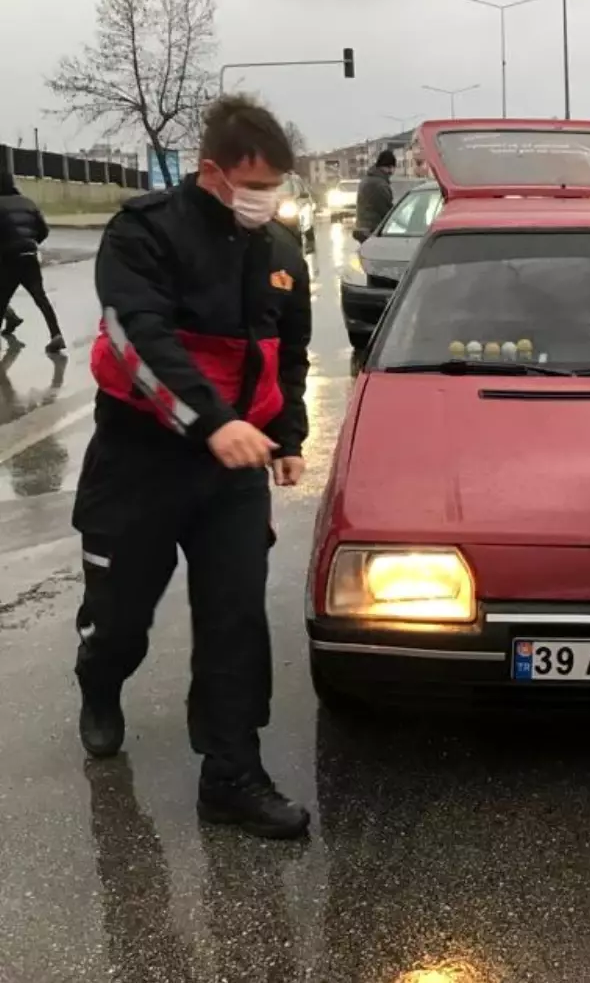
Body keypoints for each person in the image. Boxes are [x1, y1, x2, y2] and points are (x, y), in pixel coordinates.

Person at [72, 95, 312, 839]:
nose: (266, 199)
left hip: (231, 471)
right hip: (140, 461)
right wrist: (214, 423)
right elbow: (136, 341)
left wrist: (290, 433)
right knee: (120, 618)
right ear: (212, 171)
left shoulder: (278, 253)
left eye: (277, 185)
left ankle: (232, 773)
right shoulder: (144, 234)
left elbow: (288, 354)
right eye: (255, 183)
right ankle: (100, 683)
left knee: (236, 618)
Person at [0, 172, 66, 353]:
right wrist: (31, 242)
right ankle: (56, 334)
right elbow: (43, 230)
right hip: (29, 256)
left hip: (9, 259)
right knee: (41, 298)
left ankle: (10, 322)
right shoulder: (28, 202)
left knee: (2, 299)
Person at [355, 148, 396, 239]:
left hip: (361, 226)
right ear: (389, 167)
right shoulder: (379, 184)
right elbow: (386, 210)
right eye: (392, 168)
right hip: (372, 229)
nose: (392, 172)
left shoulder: (368, 178)